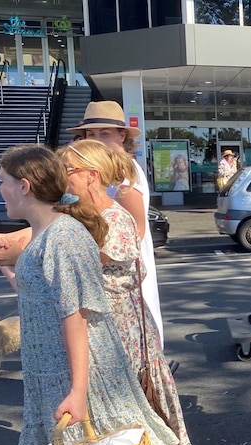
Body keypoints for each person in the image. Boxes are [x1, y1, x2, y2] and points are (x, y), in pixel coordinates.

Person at [0, 144, 228, 445]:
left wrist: (78, 390)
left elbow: (75, 316)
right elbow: (43, 303)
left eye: (3, 182)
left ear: (24, 186)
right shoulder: (51, 233)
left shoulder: (62, 237)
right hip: (51, 372)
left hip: (71, 372)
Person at [66, 101, 166, 347]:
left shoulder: (124, 173)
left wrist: (88, 261)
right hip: (109, 268)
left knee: (132, 337)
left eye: (105, 133)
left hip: (122, 271)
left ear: (122, 136)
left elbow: (134, 234)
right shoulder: (102, 170)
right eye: (91, 134)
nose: (97, 139)